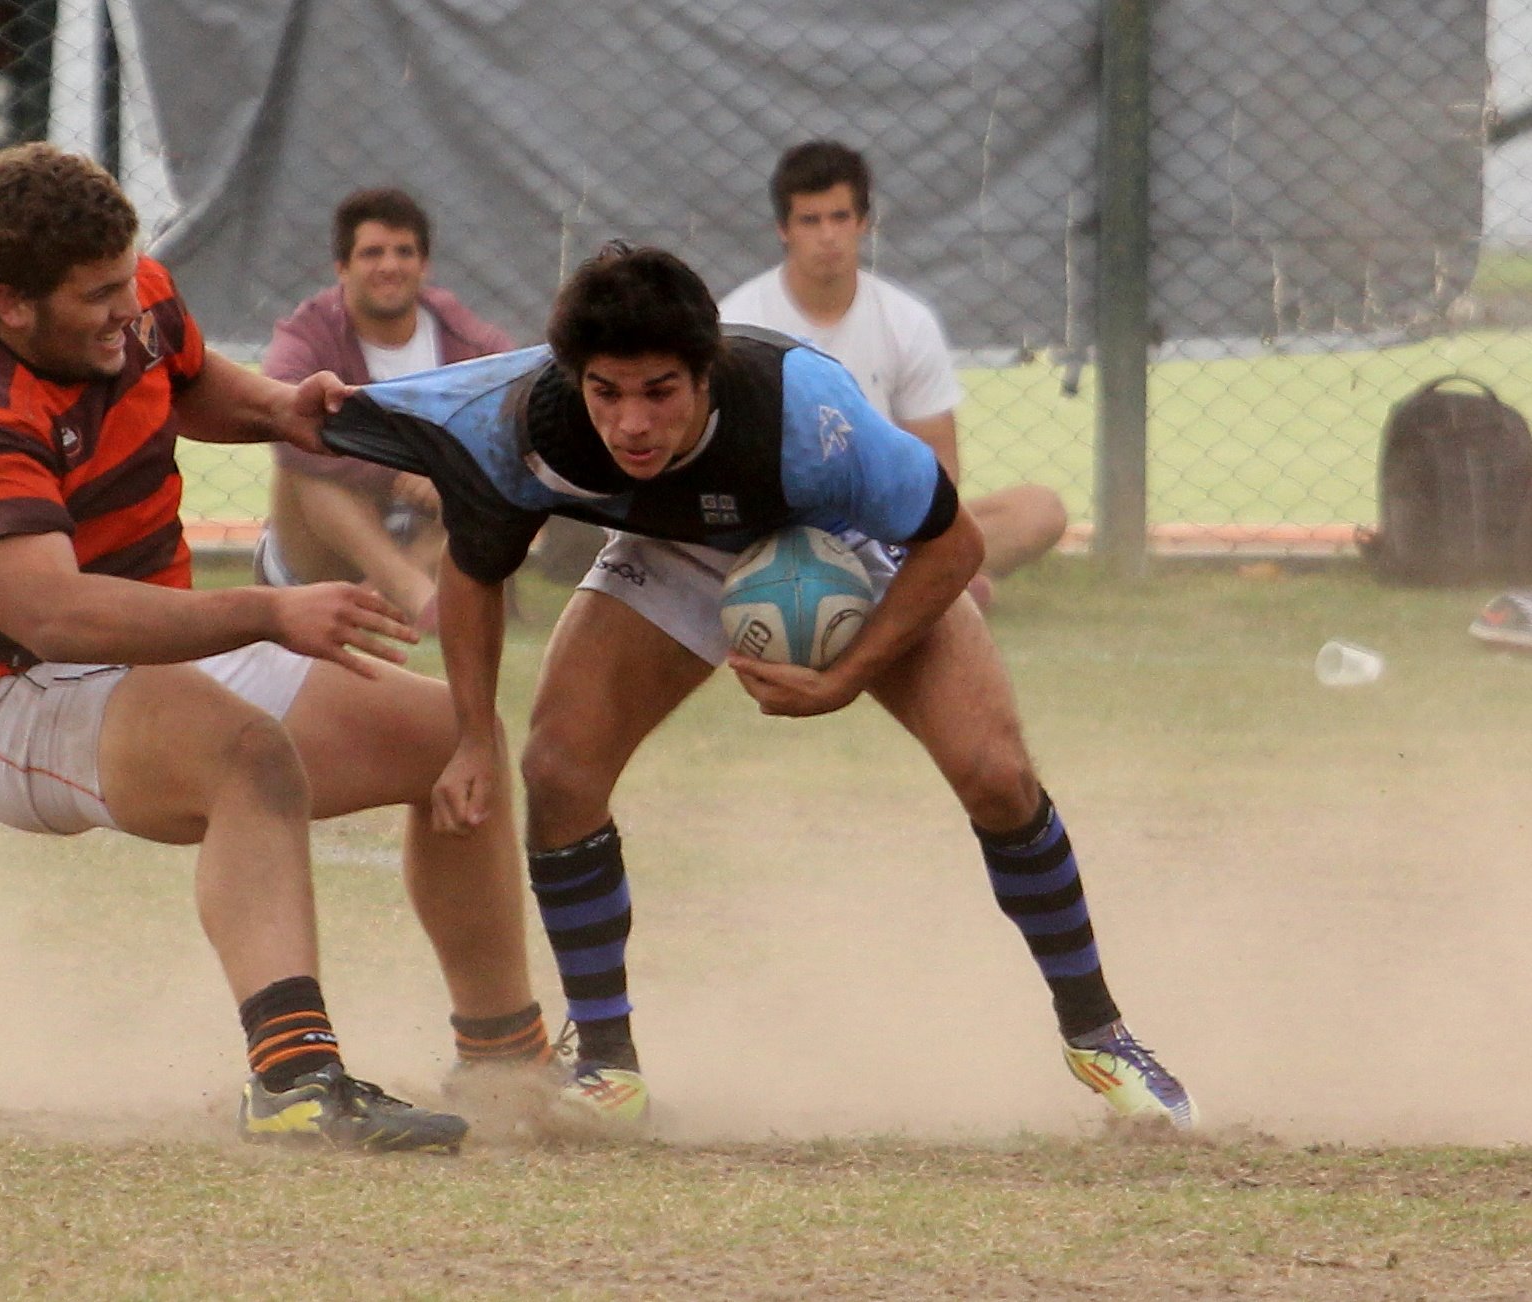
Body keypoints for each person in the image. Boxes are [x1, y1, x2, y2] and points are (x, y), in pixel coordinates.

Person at [322, 242, 1198, 1133]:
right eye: (608, 392)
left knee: (997, 773)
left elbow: (955, 544)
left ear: (707, 375)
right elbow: (473, 567)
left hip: (835, 533)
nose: (630, 422)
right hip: (675, 547)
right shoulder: (526, 423)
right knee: (557, 770)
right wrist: (475, 733)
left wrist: (847, 677)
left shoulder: (808, 419)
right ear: (575, 378)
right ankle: (608, 1066)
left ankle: (1100, 1035)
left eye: (660, 391)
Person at [0, 142, 558, 1153]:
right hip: (16, 698)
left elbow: (186, 379)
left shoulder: (130, 296)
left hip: (156, 658)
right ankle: (291, 1080)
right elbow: (59, 618)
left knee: (449, 730)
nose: (130, 308)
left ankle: (505, 1053)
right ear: (10, 303)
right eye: (98, 295)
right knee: (244, 750)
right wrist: (268, 613)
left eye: (129, 281)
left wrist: (281, 411)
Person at [719, 140, 1068, 606]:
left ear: (863, 222)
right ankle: (916, 587)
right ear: (783, 229)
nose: (828, 236)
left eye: (840, 217)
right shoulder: (739, 324)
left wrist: (901, 530)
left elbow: (940, 466)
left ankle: (905, 575)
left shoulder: (906, 320)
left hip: (882, 523)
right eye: (810, 220)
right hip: (775, 526)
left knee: (1039, 510)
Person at [258, 188, 512, 627]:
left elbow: (517, 413)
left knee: (512, 486)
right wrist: (401, 469)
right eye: (372, 253)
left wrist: (448, 475)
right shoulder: (309, 333)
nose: (390, 266)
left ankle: (380, 598)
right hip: (327, 542)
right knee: (303, 471)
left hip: (429, 532)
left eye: (404, 252)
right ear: (342, 267)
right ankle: (421, 603)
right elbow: (282, 421)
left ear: (424, 264)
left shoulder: (465, 338)